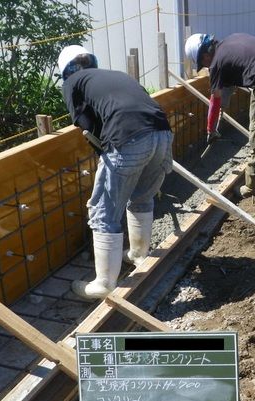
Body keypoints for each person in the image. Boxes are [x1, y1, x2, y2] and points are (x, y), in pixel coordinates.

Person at [57, 45, 173, 300]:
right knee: (141, 197)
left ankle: (104, 283)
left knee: (103, 211)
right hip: (163, 134)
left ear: (66, 71)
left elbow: (85, 125)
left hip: (128, 138)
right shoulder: (115, 75)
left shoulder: (72, 82)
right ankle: (138, 254)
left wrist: (105, 154)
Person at [184, 33, 255, 197]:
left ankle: (251, 188)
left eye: (203, 64)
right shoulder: (232, 42)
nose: (206, 67)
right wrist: (220, 115)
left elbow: (215, 100)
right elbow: (226, 91)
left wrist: (210, 129)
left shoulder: (216, 63)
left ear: (205, 55)